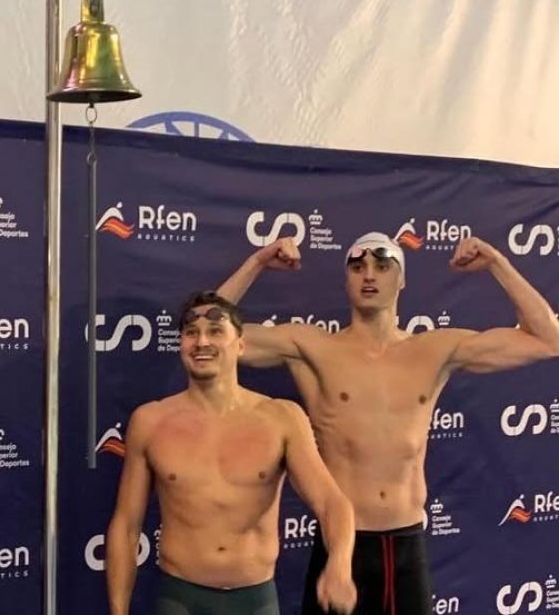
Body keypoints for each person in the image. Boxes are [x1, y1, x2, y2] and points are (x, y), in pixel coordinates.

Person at [216, 232, 559, 614]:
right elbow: (212, 334)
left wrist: (496, 262)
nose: (369, 275)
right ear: (346, 280)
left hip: (406, 546)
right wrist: (257, 263)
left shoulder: (435, 350)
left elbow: (548, 340)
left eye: (382, 266)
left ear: (402, 279)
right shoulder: (312, 348)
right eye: (357, 267)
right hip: (340, 547)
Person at [106, 291, 356, 615]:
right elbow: (126, 526)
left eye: (215, 331)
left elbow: (331, 503)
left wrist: (340, 564)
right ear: (180, 344)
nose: (202, 342)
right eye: (191, 332)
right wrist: (118, 610)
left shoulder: (282, 418)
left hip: (255, 601)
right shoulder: (150, 421)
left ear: (240, 344)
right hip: (179, 599)